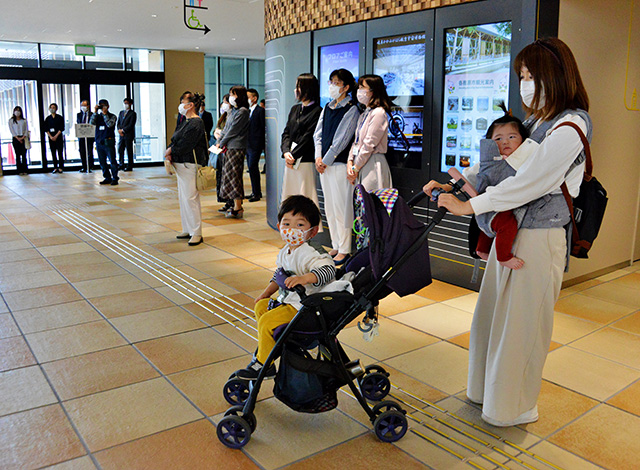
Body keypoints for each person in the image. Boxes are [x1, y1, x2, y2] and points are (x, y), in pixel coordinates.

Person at [423, 38, 591, 427]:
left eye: (532, 76)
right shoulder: (536, 122)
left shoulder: (570, 124)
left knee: (521, 326)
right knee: (498, 318)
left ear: (556, 75)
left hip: (537, 237)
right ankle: (490, 396)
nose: (526, 84)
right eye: (522, 76)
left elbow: (529, 182)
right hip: (513, 235)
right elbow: (503, 170)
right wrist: (459, 184)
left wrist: (471, 205)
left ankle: (508, 406)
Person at [236, 195, 336, 380]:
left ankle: (264, 365)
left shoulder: (311, 252)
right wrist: (265, 293)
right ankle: (270, 347)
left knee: (266, 322)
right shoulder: (286, 251)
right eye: (286, 223)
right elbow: (278, 276)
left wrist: (305, 278)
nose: (291, 230)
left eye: (300, 225)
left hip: (306, 306)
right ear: (279, 225)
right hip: (289, 301)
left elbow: (329, 271)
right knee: (261, 306)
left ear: (312, 232)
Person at [471, 105, 531, 269]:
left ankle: (482, 249)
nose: (505, 141)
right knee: (507, 224)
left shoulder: (525, 160)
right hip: (495, 205)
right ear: (490, 143)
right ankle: (503, 256)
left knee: (490, 226)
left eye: (512, 137)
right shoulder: (492, 162)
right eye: (498, 139)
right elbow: (472, 173)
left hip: (490, 207)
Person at [313, 68, 360, 264]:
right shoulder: (328, 107)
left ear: (346, 87)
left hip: (339, 164)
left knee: (342, 207)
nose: (332, 86)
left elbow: (342, 139)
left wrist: (326, 159)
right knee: (330, 207)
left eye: (336, 82)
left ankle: (345, 248)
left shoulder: (352, 109)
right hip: (324, 165)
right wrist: (318, 157)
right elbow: (318, 134)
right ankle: (335, 244)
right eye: (331, 81)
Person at [164, 91, 208, 246]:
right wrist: (170, 149)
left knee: (190, 198)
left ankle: (196, 232)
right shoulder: (185, 120)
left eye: (182, 101)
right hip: (180, 164)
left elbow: (185, 144)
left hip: (189, 164)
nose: (180, 105)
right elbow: (175, 139)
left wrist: (171, 151)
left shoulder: (196, 123)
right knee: (184, 198)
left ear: (190, 105)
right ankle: (187, 228)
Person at [281, 73, 322, 208]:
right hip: (291, 160)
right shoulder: (295, 109)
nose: (296, 90)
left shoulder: (317, 111)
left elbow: (309, 137)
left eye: (299, 86)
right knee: (289, 194)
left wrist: (293, 155)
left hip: (305, 160)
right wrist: (286, 152)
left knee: (305, 195)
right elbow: (286, 132)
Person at [347, 74, 393, 191]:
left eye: (363, 88)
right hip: (360, 163)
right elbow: (356, 141)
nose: (359, 91)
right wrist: (350, 161)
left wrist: (356, 168)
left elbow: (369, 144)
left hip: (372, 164)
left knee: (371, 203)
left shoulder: (378, 113)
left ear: (373, 91)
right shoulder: (364, 114)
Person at [215, 86, 250, 219]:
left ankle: (238, 207)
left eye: (233, 94)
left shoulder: (243, 111)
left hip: (236, 147)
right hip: (229, 147)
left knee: (234, 176)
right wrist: (220, 141)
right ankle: (234, 204)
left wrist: (221, 142)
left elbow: (233, 130)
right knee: (228, 176)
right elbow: (225, 128)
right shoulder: (233, 111)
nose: (231, 97)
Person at [90, 99, 119, 185]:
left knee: (112, 161)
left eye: (104, 105)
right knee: (102, 161)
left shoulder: (112, 116)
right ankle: (107, 177)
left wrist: (105, 114)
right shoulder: (97, 116)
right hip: (99, 142)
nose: (102, 107)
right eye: (101, 105)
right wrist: (95, 112)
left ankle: (115, 177)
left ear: (108, 106)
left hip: (108, 141)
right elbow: (91, 123)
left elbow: (109, 124)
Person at [246, 88, 266, 202]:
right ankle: (255, 191)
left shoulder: (260, 111)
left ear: (254, 98)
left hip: (256, 144)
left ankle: (257, 193)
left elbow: (263, 128)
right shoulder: (247, 111)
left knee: (253, 166)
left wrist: (262, 144)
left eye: (248, 97)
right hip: (248, 144)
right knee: (250, 167)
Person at [214, 94, 230, 206]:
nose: (223, 105)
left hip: (227, 149)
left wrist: (221, 137)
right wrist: (216, 133)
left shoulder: (233, 116)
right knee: (219, 174)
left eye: (225, 102)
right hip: (219, 148)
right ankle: (223, 199)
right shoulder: (223, 117)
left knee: (227, 177)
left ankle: (230, 202)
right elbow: (216, 129)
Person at [43, 103, 65, 173]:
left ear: (56, 109)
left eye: (54, 107)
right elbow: (46, 128)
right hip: (51, 137)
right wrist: (51, 136)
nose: (52, 109)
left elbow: (62, 128)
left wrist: (56, 136)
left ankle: (61, 167)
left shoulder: (60, 117)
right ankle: (55, 167)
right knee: (53, 152)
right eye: (51, 107)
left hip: (58, 137)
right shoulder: (47, 118)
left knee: (60, 152)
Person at [117, 98, 137, 172]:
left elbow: (131, 125)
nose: (125, 105)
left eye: (127, 103)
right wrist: (119, 130)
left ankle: (130, 165)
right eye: (124, 103)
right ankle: (121, 164)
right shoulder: (121, 113)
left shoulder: (133, 113)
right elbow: (118, 123)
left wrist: (123, 130)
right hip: (121, 135)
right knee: (120, 149)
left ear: (130, 104)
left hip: (128, 135)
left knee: (129, 150)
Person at [9, 106, 29, 175]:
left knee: (24, 155)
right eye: (16, 110)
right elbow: (12, 130)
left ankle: (25, 170)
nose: (17, 112)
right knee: (17, 155)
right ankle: (19, 170)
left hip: (23, 138)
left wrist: (22, 137)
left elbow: (26, 130)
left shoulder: (24, 120)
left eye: (18, 110)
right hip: (15, 138)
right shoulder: (11, 121)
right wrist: (17, 138)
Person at [76, 100, 94, 173]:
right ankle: (84, 166)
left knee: (89, 151)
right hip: (81, 135)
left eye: (84, 105)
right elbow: (78, 123)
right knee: (82, 151)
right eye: (82, 106)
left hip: (89, 135)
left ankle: (89, 166)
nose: (83, 107)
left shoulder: (92, 114)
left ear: (88, 106)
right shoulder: (79, 115)